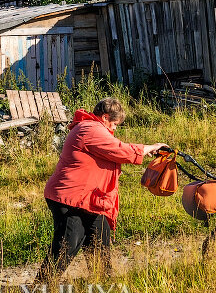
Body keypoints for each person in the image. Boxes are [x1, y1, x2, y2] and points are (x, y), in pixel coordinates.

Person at [35, 97, 166, 282]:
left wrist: (146, 151)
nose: (114, 128)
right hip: (69, 197)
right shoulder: (89, 129)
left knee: (100, 239)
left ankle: (102, 284)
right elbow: (119, 150)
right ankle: (41, 286)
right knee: (69, 242)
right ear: (105, 117)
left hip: (88, 199)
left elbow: (114, 150)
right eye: (114, 123)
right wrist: (148, 148)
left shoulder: (92, 128)